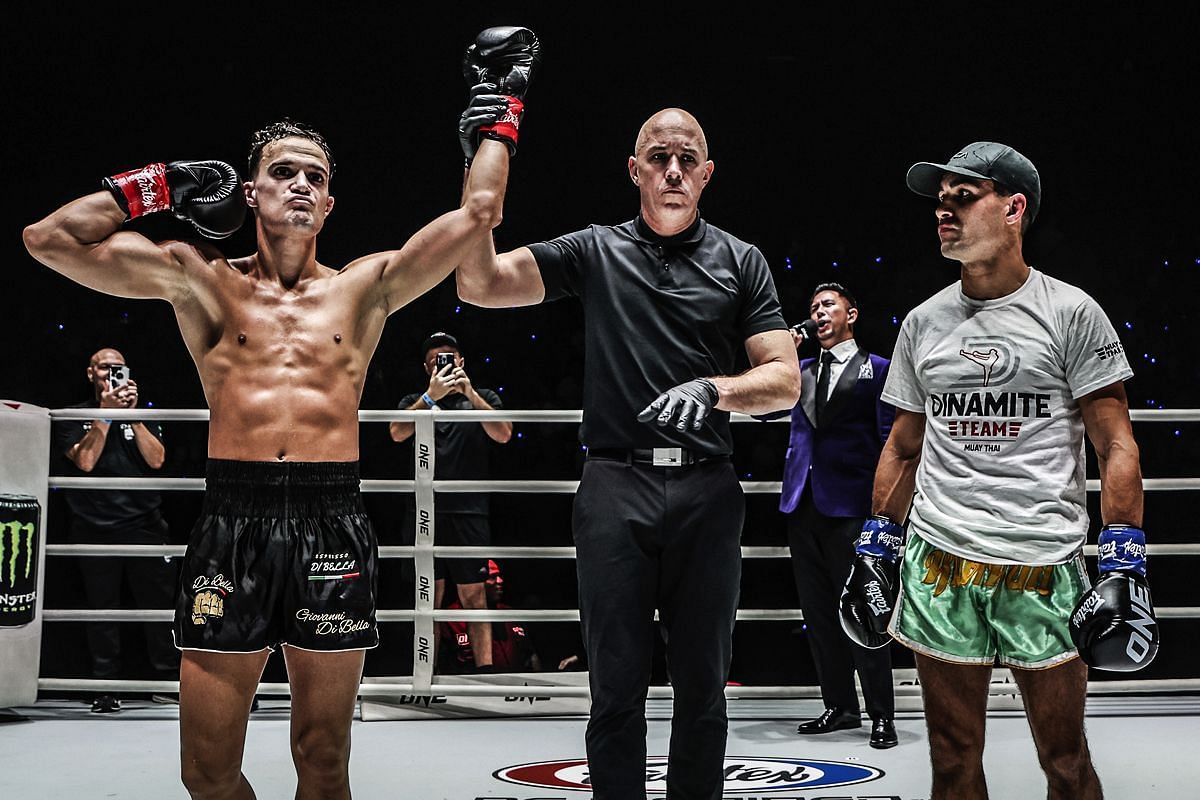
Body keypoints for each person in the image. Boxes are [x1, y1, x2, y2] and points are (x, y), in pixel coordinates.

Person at [24, 26, 537, 799]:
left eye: (314, 175)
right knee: (206, 772)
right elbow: (49, 239)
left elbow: (481, 210)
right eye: (282, 172)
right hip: (232, 516)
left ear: (330, 202)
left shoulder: (366, 286)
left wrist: (503, 109)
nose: (299, 183)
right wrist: (160, 184)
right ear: (251, 192)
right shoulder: (200, 280)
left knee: (324, 763)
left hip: (333, 520)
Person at [456, 107, 800, 800]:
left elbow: (785, 382)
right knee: (614, 686)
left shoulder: (742, 260)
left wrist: (716, 389)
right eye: (658, 156)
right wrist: (482, 162)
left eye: (687, 158)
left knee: (704, 686)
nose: (673, 169)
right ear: (635, 169)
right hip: (616, 483)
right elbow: (479, 283)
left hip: (707, 487)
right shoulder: (596, 250)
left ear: (706, 174)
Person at [839, 142, 1159, 799]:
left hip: (1042, 562)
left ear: (1014, 209)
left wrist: (1124, 561)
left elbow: (1115, 444)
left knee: (1065, 761)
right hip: (940, 560)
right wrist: (877, 547)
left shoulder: (1071, 312)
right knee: (952, 760)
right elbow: (903, 447)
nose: (944, 212)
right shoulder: (924, 323)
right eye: (940, 201)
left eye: (964, 196)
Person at [766, 283, 897, 747]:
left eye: (828, 306)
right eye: (813, 307)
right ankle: (840, 707)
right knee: (819, 615)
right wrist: (780, 353)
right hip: (803, 505)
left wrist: (884, 514)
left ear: (852, 314)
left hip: (853, 509)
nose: (819, 313)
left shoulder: (877, 370)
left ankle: (882, 713)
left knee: (865, 611)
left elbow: (890, 446)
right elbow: (762, 410)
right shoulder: (795, 371)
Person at [53, 347, 178, 713]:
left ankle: (167, 681)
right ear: (91, 373)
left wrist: (133, 416)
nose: (113, 375)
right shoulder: (74, 416)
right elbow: (86, 461)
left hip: (145, 524)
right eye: (106, 368)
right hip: (94, 526)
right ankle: (106, 686)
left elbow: (157, 460)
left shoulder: (143, 413)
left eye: (119, 369)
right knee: (101, 610)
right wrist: (105, 417)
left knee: (158, 607)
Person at [390, 331, 511, 672]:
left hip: (469, 510)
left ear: (461, 362)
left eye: (448, 358)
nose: (442, 364)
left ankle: (487, 678)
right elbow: (397, 432)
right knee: (428, 599)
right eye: (435, 360)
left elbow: (503, 434)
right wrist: (431, 398)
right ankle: (426, 675)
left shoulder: (482, 397)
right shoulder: (415, 399)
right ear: (426, 368)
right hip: (424, 511)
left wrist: (468, 392)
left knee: (475, 599)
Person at [438, 559, 540, 673]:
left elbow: (531, 656)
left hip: (515, 686)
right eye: (492, 577)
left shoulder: (510, 614)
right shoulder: (451, 617)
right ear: (475, 581)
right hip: (472, 687)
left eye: (500, 575)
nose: (500, 581)